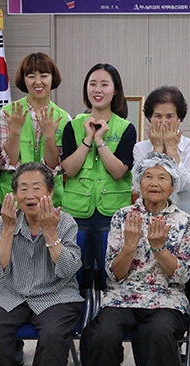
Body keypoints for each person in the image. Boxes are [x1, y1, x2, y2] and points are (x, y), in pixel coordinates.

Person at [80, 152, 190, 366]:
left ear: (173, 186)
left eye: (162, 178)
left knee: (158, 333)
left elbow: (181, 277)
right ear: (138, 182)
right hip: (122, 296)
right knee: (102, 335)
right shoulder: (122, 216)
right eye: (148, 176)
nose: (154, 183)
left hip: (167, 298)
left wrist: (159, 248)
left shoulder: (184, 221)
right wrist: (130, 246)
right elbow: (114, 273)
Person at [0, 162, 83, 366]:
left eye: (37, 188)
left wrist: (50, 232)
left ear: (50, 191)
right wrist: (9, 230)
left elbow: (67, 270)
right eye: (23, 188)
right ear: (14, 193)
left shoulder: (65, 222)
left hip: (56, 295)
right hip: (13, 293)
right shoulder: (5, 221)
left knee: (53, 335)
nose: (30, 195)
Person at [59, 63, 135, 272]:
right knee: (76, 272)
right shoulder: (73, 125)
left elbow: (119, 171)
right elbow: (70, 169)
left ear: (115, 90)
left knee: (107, 271)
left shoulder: (126, 128)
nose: (97, 90)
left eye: (104, 84)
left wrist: (100, 141)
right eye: (92, 84)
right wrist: (88, 139)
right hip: (76, 210)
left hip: (111, 211)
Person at [0, 52, 71, 209]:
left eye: (44, 75)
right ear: (23, 79)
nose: (38, 82)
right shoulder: (8, 112)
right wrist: (15, 132)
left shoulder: (64, 118)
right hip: (12, 201)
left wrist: (49, 137)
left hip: (50, 203)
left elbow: (58, 167)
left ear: (52, 78)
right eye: (31, 76)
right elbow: (3, 163)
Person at [133, 86, 190, 240]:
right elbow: (141, 185)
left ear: (180, 119)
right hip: (147, 225)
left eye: (169, 116)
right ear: (150, 119)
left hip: (184, 226)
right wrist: (157, 148)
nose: (163, 122)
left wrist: (172, 149)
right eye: (157, 116)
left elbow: (184, 185)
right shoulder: (140, 148)